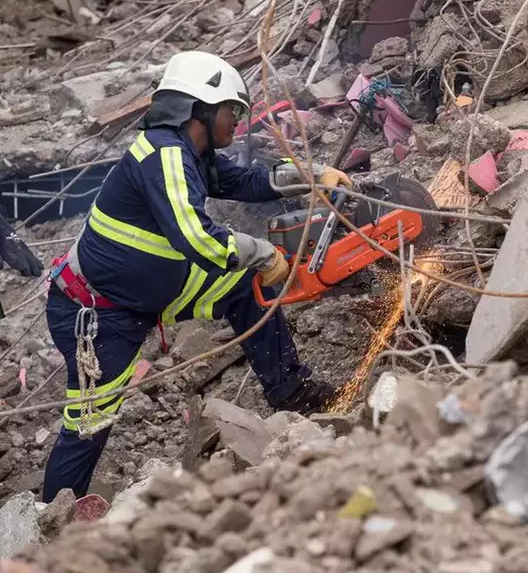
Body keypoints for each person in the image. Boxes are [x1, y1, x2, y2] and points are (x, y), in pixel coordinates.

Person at [42, 50, 351, 502]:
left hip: (145, 295)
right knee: (89, 427)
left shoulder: (190, 153)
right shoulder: (164, 155)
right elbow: (198, 240)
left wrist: (311, 175)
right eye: (232, 110)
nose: (236, 122)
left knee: (245, 289)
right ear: (201, 108)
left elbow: (245, 182)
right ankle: (52, 521)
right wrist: (263, 254)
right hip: (97, 313)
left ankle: (292, 392)